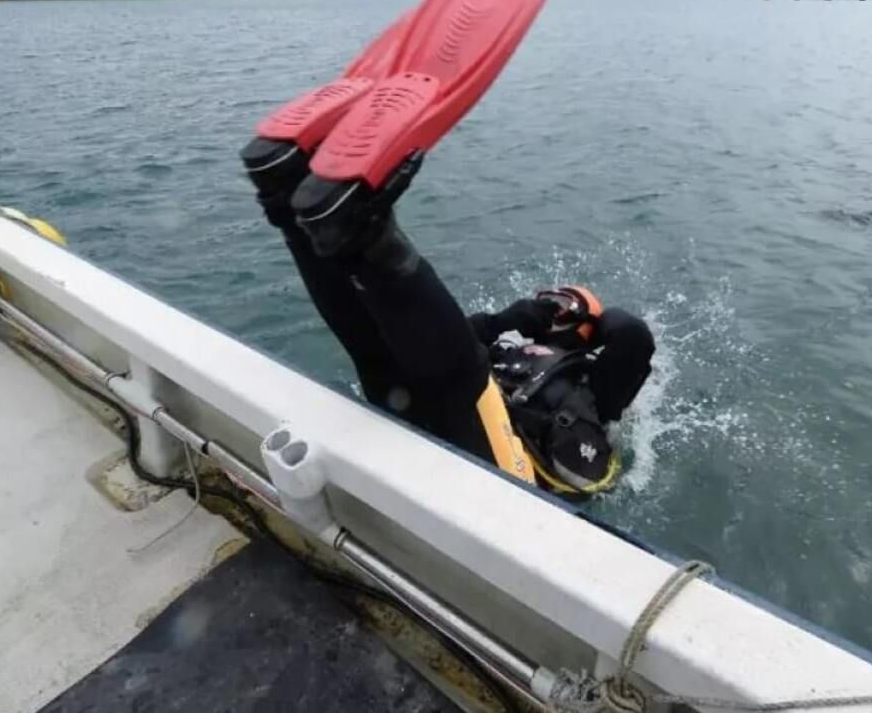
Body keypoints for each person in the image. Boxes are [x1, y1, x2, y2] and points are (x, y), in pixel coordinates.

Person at [242, 144, 653, 497]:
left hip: (506, 475)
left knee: (463, 376)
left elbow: (634, 336)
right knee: (378, 352)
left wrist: (588, 319)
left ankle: (367, 230)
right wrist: (508, 319)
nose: (554, 310)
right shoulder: (515, 348)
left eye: (563, 307)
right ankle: (292, 205)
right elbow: (454, 335)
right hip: (434, 433)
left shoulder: (599, 393)